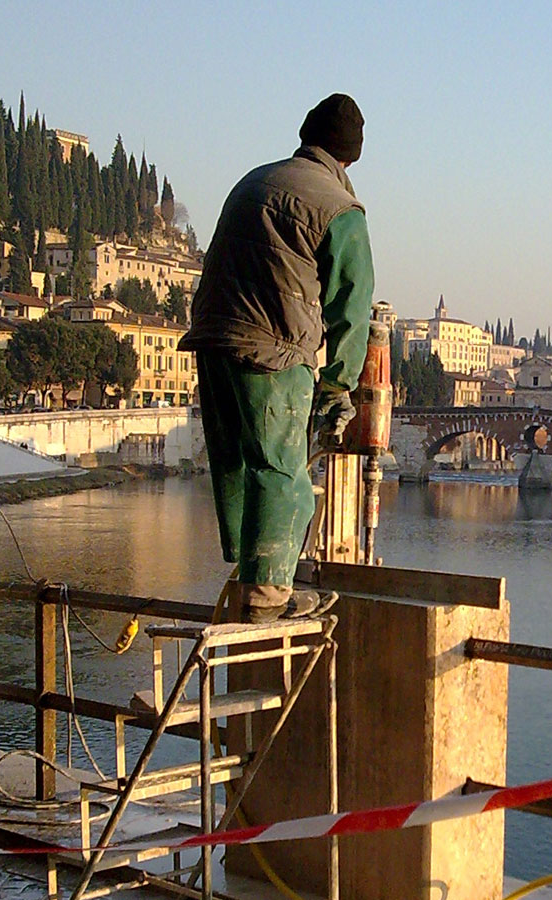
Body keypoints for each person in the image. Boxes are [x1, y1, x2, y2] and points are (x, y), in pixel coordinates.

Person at [178, 94, 374, 622]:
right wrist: (338, 388)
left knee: (237, 462)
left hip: (213, 339)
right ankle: (267, 599)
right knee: (282, 473)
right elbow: (352, 312)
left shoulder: (254, 181)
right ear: (350, 158)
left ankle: (248, 577)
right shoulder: (339, 208)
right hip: (273, 348)